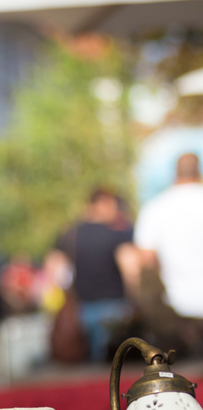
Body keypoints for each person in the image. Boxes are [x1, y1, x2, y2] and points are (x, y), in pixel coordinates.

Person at [44, 188, 136, 362]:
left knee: (88, 364)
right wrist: (135, 298)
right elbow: (130, 268)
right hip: (115, 307)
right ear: (104, 204)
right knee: (114, 365)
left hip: (81, 309)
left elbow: (54, 269)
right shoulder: (117, 233)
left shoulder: (70, 233)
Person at [133, 152, 203, 354]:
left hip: (174, 311)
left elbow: (146, 260)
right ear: (198, 171)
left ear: (175, 173)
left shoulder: (154, 208)